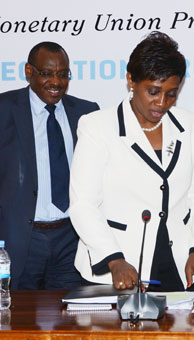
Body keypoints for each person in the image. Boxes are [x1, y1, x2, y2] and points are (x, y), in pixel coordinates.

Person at [69, 31, 194, 293]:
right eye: (153, 91)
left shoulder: (188, 125)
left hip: (178, 264)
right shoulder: (97, 127)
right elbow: (83, 205)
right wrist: (114, 259)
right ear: (131, 80)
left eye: (171, 94)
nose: (161, 103)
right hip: (117, 269)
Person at [0, 42, 99, 289]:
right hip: (21, 239)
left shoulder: (87, 113)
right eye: (47, 73)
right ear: (29, 72)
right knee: (17, 320)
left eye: (63, 74)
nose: (56, 82)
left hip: (72, 238)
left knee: (70, 321)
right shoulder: (4, 109)